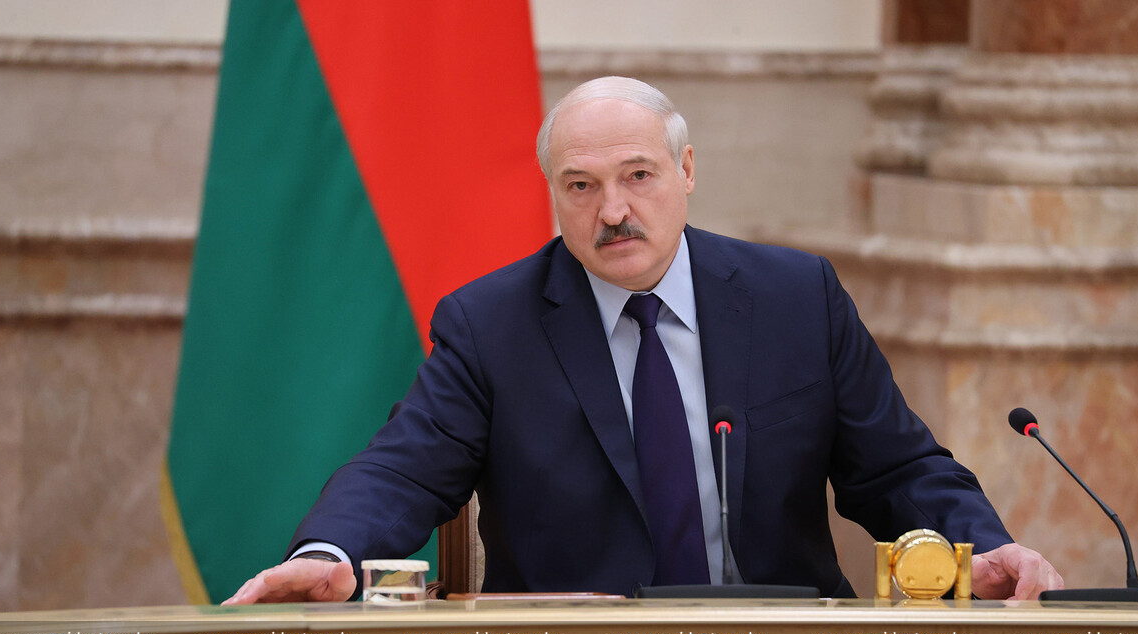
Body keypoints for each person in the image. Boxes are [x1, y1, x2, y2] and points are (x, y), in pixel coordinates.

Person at [225, 76, 1062, 605]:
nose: (613, 210)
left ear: (686, 171)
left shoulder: (795, 299)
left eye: (637, 176)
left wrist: (983, 549)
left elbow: (898, 468)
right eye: (580, 186)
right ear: (553, 194)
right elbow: (405, 465)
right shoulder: (491, 324)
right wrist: (331, 551)